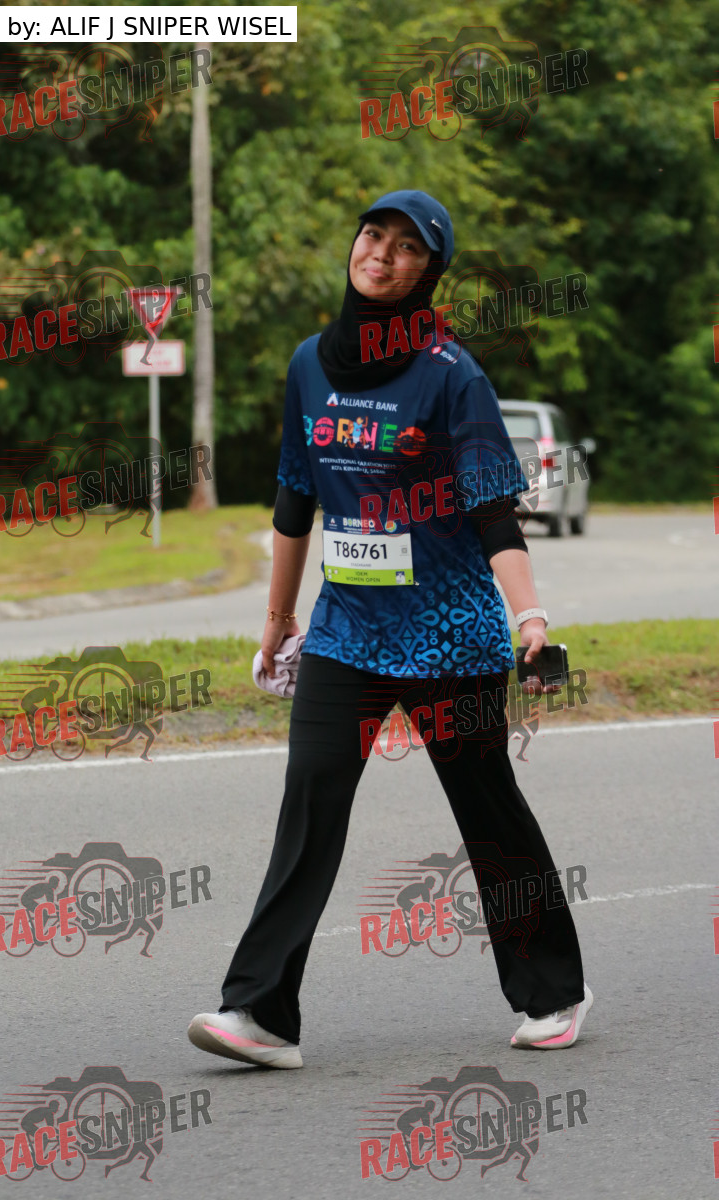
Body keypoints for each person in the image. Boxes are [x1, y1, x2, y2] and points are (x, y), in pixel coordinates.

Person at [188, 190, 593, 1069]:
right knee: (310, 801)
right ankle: (258, 1012)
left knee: (487, 811)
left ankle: (554, 990)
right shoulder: (310, 364)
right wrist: (277, 621)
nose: (382, 253)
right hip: (347, 634)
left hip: (450, 636)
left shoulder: (452, 374)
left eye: (408, 247)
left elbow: (494, 512)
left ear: (428, 273)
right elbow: (294, 500)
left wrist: (529, 615)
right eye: (374, 235)